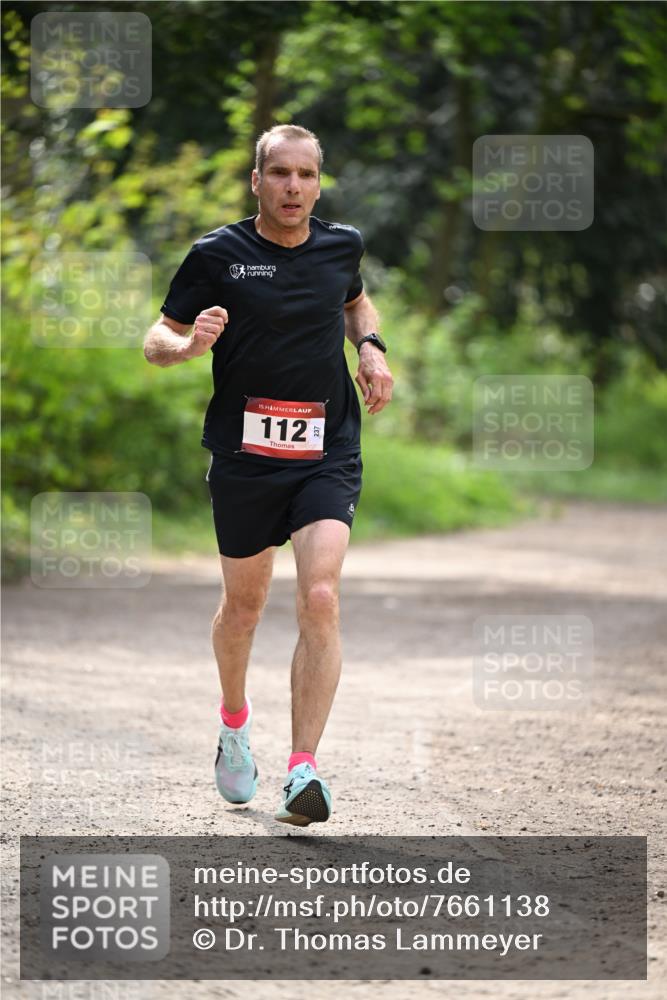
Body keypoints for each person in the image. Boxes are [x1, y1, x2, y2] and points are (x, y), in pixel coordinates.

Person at [143, 123, 394, 826]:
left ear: (319, 182)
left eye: (305, 175)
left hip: (326, 449)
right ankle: (232, 723)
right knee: (244, 609)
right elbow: (154, 337)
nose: (292, 187)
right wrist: (187, 346)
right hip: (245, 457)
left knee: (319, 596)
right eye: (278, 174)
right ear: (256, 181)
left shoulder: (340, 244)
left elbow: (353, 300)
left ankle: (303, 770)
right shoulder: (217, 254)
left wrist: (370, 348)